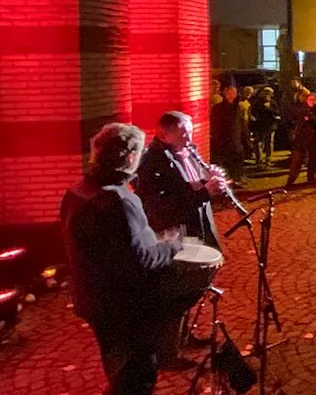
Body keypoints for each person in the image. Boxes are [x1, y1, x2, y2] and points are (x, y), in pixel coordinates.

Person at [61, 122, 183, 394]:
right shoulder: (119, 201)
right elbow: (143, 260)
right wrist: (172, 245)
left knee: (119, 371)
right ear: (130, 157)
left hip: (93, 300)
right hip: (124, 308)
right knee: (137, 377)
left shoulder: (77, 191)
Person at [136, 111, 226, 251]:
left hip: (199, 224)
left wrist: (209, 183)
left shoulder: (187, 152)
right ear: (164, 136)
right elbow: (162, 206)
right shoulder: (152, 163)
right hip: (178, 233)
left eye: (191, 132)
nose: (189, 139)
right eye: (183, 135)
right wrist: (204, 192)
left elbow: (189, 187)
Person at [209, 85, 246, 181]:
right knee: (226, 162)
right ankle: (228, 180)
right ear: (224, 94)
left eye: (233, 93)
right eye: (229, 94)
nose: (231, 96)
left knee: (236, 161)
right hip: (224, 139)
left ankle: (236, 178)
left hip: (236, 139)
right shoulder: (218, 108)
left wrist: (244, 136)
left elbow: (241, 123)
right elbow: (215, 124)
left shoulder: (237, 108)